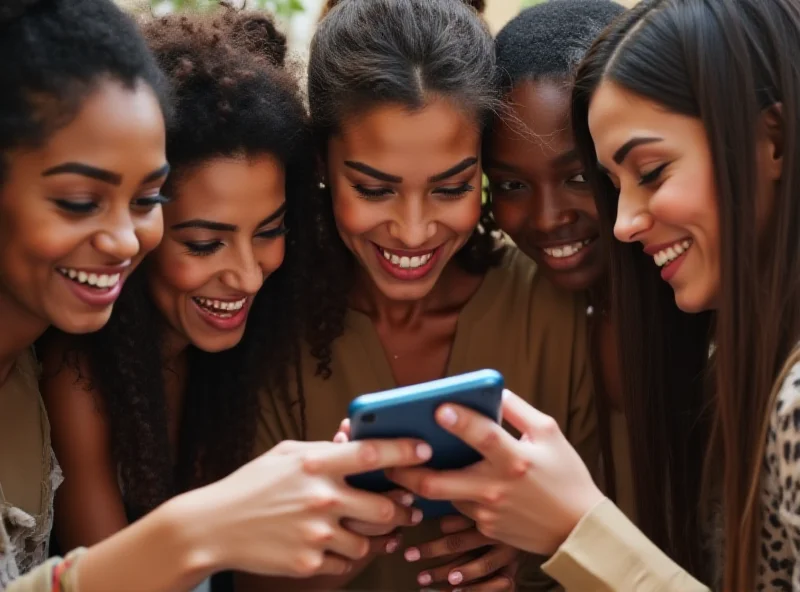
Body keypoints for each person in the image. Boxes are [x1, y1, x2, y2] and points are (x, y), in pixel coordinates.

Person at [0, 1, 433, 590]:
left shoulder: (247, 351)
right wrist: (204, 530)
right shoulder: (76, 372)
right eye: (205, 243)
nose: (249, 276)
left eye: (271, 231)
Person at [390, 0, 800, 589]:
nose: (623, 222)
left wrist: (577, 529)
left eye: (652, 171)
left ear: (775, 140)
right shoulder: (730, 343)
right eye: (612, 182)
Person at [242, 0, 598, 590]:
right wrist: (335, 547)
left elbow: (614, 535)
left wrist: (536, 549)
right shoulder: (270, 319)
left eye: (452, 186)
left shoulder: (552, 308)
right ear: (321, 162)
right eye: (374, 189)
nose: (412, 231)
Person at [485, 0, 629, 517]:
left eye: (578, 177)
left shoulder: (711, 312)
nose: (546, 218)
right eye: (512, 185)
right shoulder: (522, 311)